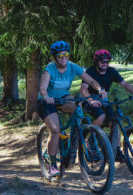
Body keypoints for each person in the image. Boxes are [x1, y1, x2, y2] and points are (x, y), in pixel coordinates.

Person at [38, 41, 104, 177]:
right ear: (55, 57)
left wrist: (100, 89)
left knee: (79, 107)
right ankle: (52, 165)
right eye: (61, 56)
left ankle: (75, 139)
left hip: (63, 98)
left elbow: (90, 81)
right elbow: (43, 87)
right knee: (55, 130)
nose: (64, 58)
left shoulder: (72, 66)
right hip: (47, 101)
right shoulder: (50, 69)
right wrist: (45, 96)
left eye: (66, 55)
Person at [81, 49, 133, 160]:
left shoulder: (111, 71)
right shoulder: (90, 71)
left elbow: (125, 84)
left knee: (115, 122)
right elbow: (83, 89)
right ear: (97, 62)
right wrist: (91, 100)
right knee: (101, 116)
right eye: (102, 61)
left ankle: (116, 151)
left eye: (107, 61)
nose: (105, 64)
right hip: (89, 100)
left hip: (104, 101)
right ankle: (90, 140)